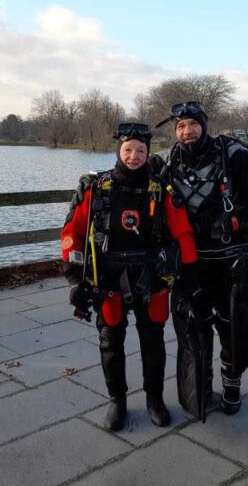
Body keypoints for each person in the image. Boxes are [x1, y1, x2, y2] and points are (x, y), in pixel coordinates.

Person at [61, 122, 199, 431]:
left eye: (140, 150)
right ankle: (117, 400)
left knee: (153, 341)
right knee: (111, 342)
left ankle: (154, 399)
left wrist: (190, 276)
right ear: (118, 151)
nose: (134, 156)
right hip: (109, 280)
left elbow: (184, 233)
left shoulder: (161, 189)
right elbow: (72, 233)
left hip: (153, 280)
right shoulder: (96, 187)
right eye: (128, 150)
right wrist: (74, 279)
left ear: (148, 153)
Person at [150, 101, 248, 415]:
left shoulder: (234, 155)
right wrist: (95, 183)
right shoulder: (164, 161)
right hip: (188, 262)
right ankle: (201, 388)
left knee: (233, 326)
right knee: (193, 327)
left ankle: (231, 385)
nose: (187, 131)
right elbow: (131, 173)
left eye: (193, 124)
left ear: (204, 125)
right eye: (180, 126)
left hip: (231, 258)